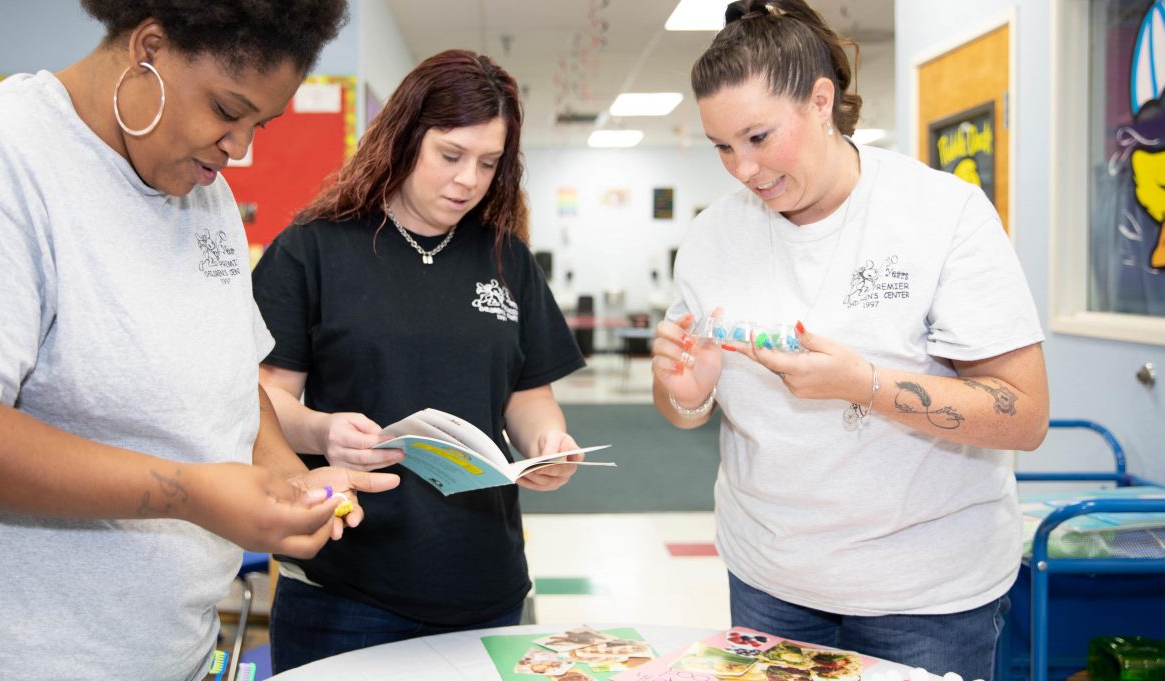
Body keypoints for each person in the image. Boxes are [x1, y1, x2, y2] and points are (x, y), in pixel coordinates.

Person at [0, 3, 399, 680]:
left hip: (169, 654)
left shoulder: (205, 200)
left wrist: (286, 479)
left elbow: (233, 378)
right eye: (227, 111)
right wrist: (191, 492)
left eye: (259, 124)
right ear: (149, 46)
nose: (241, 148)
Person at [650, 1, 1049, 677]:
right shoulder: (713, 235)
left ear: (820, 101)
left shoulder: (940, 213)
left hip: (925, 596)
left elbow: (1024, 412)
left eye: (758, 137)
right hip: (769, 579)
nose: (743, 169)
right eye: (722, 146)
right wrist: (685, 394)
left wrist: (864, 385)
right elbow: (686, 405)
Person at [251, 48, 588, 671]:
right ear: (403, 138)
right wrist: (323, 429)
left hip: (484, 583)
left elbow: (525, 388)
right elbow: (265, 399)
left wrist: (546, 439)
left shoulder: (504, 257)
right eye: (450, 156)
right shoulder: (313, 250)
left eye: (489, 164)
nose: (468, 180)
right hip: (346, 585)